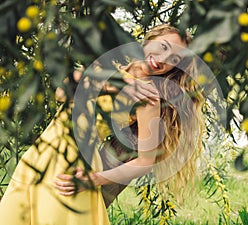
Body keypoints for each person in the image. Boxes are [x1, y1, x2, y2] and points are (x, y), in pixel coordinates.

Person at [0, 24, 205, 225]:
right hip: (38, 157)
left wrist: (96, 179)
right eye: (164, 47)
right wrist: (117, 84)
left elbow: (145, 161)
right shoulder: (104, 67)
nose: (162, 59)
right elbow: (61, 93)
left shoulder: (149, 96)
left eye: (174, 59)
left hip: (72, 166)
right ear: (151, 38)